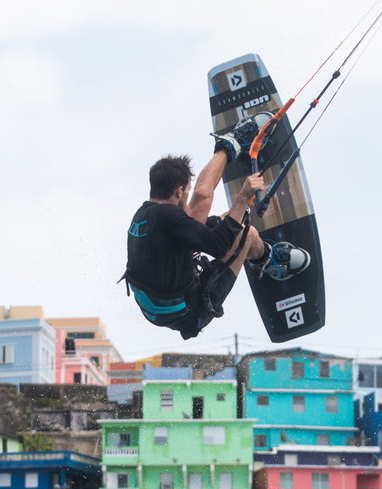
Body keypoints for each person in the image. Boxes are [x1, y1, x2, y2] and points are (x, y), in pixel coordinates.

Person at [122, 115, 311, 339]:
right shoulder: (170, 217)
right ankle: (266, 259)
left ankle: (231, 144)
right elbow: (219, 246)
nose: (189, 193)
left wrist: (233, 214)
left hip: (158, 300)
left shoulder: (146, 213)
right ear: (179, 192)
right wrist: (242, 198)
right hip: (188, 312)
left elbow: (200, 200)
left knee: (212, 208)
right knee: (246, 233)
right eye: (187, 189)